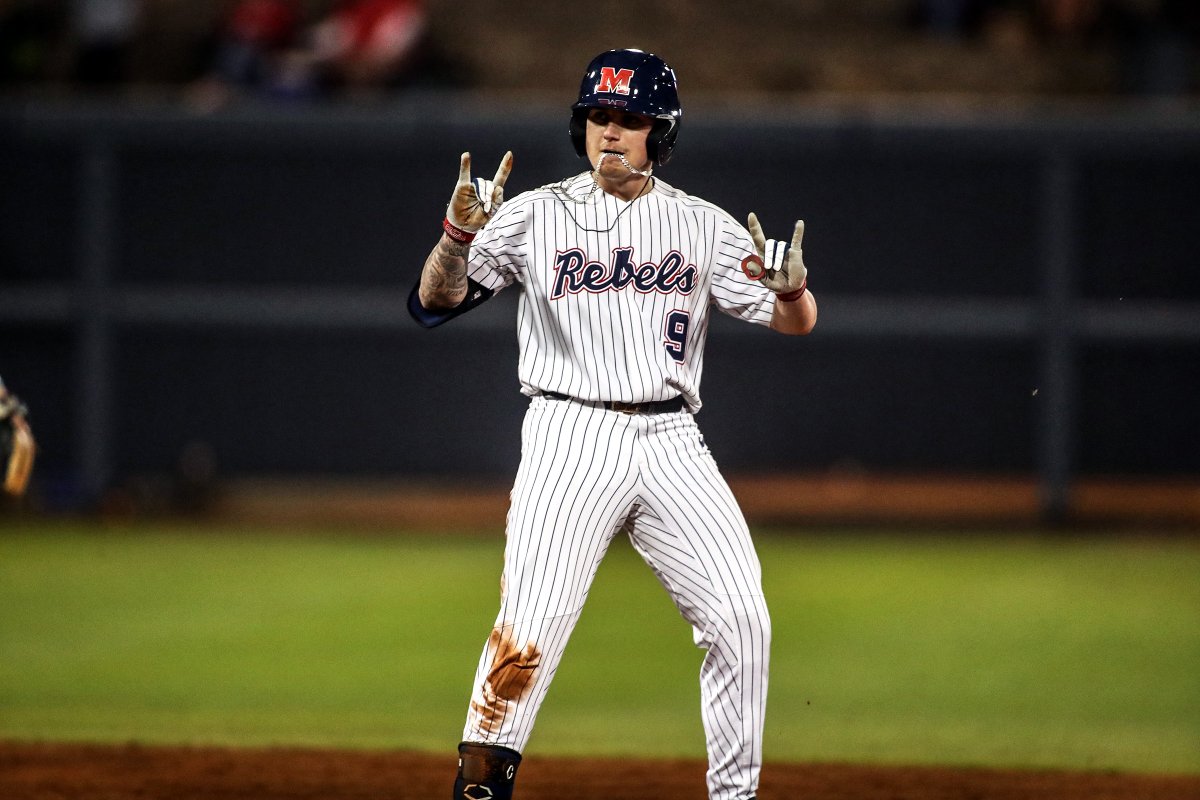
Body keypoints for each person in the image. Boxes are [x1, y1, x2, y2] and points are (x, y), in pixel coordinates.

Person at [408, 48, 817, 800]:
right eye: (600, 116)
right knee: (531, 627)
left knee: (742, 620)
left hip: (672, 441)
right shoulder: (534, 213)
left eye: (631, 120)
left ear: (660, 135)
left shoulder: (702, 225)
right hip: (571, 435)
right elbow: (434, 303)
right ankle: (479, 790)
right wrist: (456, 238)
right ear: (580, 126)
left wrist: (792, 293)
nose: (612, 131)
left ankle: (735, 795)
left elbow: (795, 322)